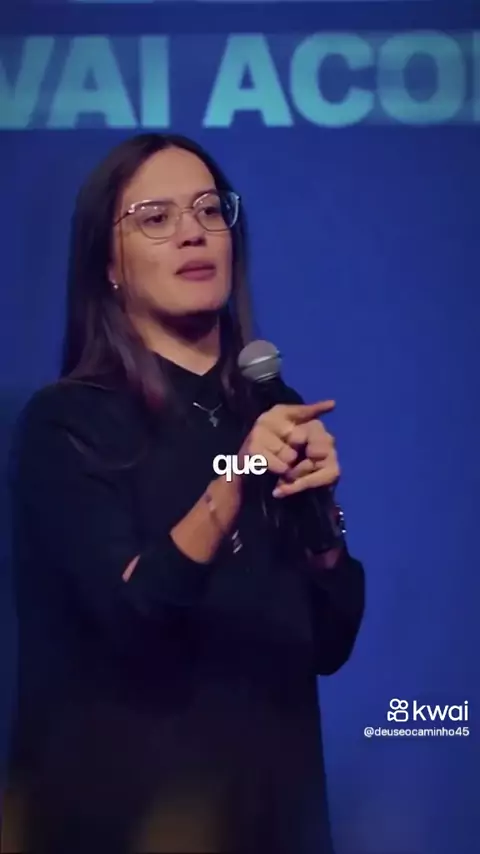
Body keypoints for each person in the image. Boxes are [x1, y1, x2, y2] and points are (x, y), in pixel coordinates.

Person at [1, 133, 365, 854]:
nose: (193, 232)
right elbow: (133, 618)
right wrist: (235, 481)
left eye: (208, 210)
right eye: (156, 218)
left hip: (273, 818)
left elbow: (329, 641)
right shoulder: (67, 422)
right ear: (107, 264)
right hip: (131, 822)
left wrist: (323, 520)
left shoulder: (270, 407)